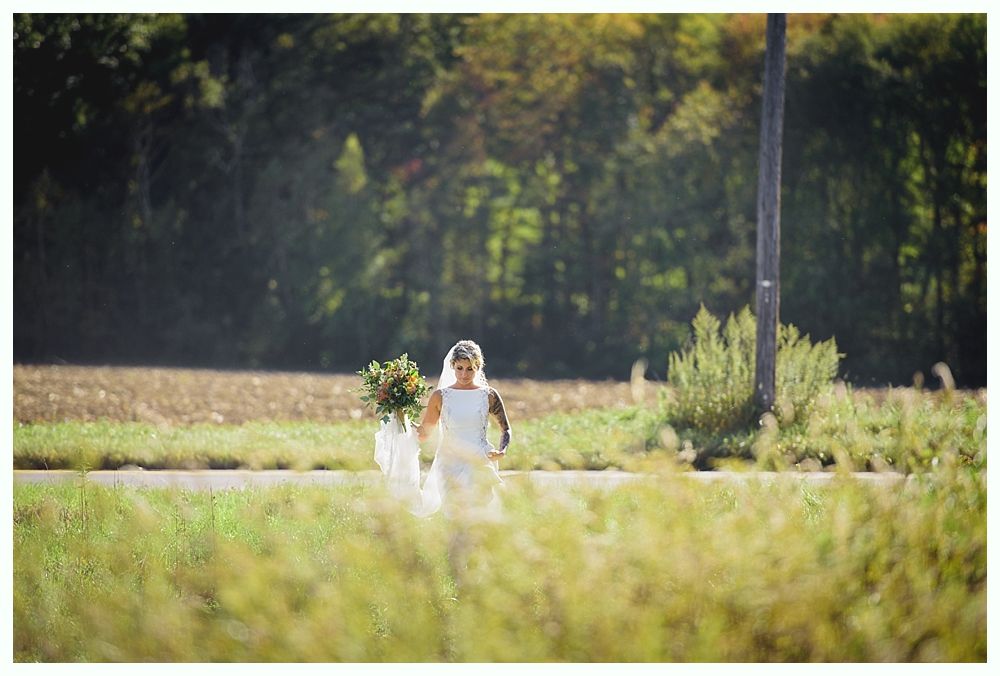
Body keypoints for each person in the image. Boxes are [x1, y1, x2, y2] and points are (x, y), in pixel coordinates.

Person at [413, 339, 511, 519]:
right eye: (460, 368)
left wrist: (502, 450)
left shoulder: (488, 395)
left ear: (478, 367)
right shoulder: (440, 396)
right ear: (452, 365)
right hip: (450, 462)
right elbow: (425, 434)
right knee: (455, 513)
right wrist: (401, 417)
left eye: (470, 369)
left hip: (479, 458)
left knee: (479, 512)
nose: (464, 374)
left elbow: (505, 429)